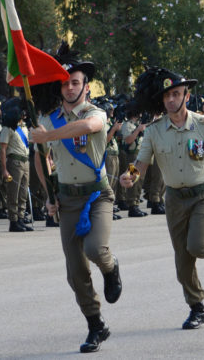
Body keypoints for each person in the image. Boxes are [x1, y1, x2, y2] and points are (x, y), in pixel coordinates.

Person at [120, 66, 204, 330]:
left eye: (176, 94)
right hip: (174, 198)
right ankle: (197, 307)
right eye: (166, 96)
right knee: (182, 259)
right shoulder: (154, 131)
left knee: (197, 246)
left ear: (186, 95)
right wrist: (130, 175)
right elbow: (141, 162)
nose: (171, 100)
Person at [29, 42, 121, 354]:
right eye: (65, 83)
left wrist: (47, 135)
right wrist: (49, 196)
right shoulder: (48, 118)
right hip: (67, 199)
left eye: (75, 82)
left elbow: (88, 126)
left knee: (96, 248)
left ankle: (111, 268)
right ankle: (96, 324)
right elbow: (41, 161)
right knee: (75, 272)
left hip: (97, 195)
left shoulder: (96, 112)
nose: (69, 88)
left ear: (86, 86)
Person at [0, 98, 34, 233]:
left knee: (23, 192)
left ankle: (20, 218)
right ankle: (13, 221)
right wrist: (4, 170)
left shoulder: (23, 127)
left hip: (25, 161)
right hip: (15, 162)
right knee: (13, 192)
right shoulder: (7, 128)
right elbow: (3, 149)